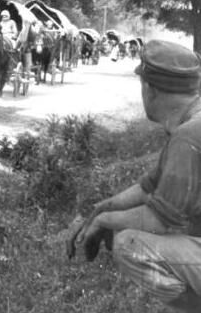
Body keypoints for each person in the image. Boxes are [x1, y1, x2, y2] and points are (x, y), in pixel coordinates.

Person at [68, 39, 201, 312]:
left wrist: (106, 221)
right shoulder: (192, 123)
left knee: (129, 245)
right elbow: (149, 186)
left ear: (149, 89)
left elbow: (160, 220)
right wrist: (103, 208)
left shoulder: (188, 137)